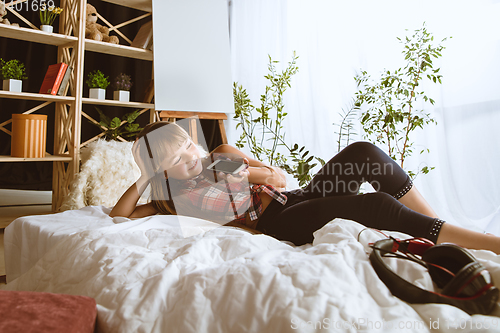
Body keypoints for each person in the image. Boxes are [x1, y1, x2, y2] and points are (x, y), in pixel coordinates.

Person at [110, 121, 500, 254]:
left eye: (187, 147)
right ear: (163, 173)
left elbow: (277, 178)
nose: (189, 157)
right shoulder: (171, 201)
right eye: (175, 161)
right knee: (374, 204)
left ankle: (438, 228)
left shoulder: (219, 155)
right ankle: (476, 241)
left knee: (363, 152)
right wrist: (145, 175)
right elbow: (118, 215)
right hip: (276, 223)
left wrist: (241, 171)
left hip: (293, 197)